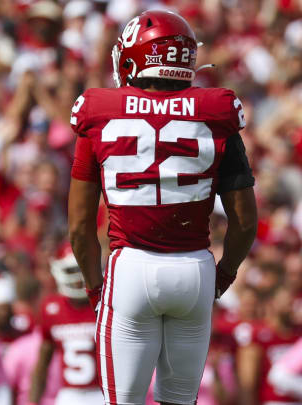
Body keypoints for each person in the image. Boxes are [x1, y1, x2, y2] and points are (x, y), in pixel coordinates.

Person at [67, 10, 257, 405]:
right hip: (195, 272)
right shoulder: (216, 110)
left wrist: (92, 285)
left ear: (135, 58)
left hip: (132, 269)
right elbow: (244, 221)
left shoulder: (99, 112)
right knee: (179, 401)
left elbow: (80, 225)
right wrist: (225, 272)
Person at [29, 246, 101, 405]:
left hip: (102, 393)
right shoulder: (52, 308)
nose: (77, 279)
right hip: (69, 395)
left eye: (81, 270)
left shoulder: (105, 305)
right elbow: (42, 364)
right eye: (71, 271)